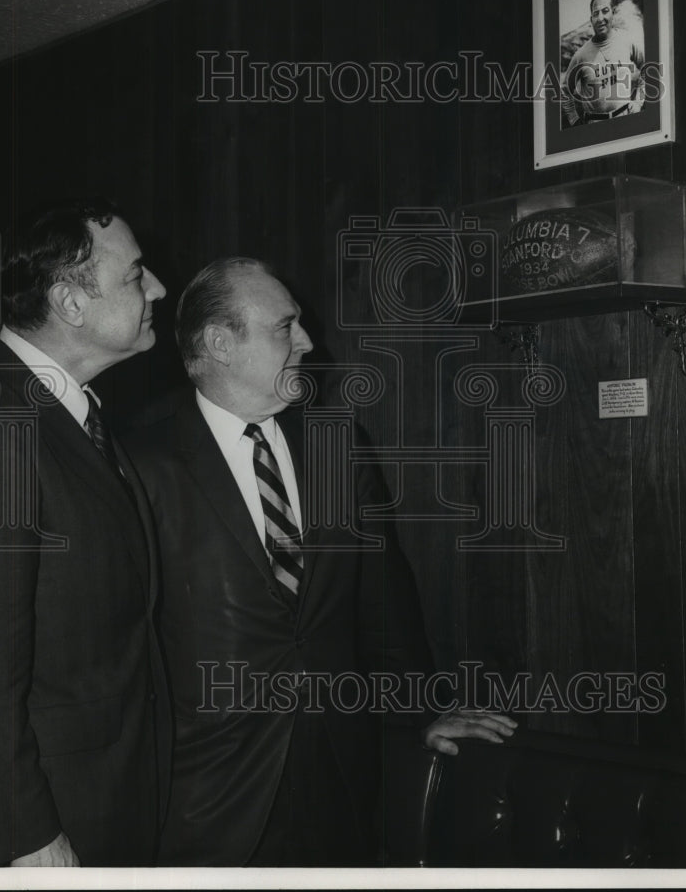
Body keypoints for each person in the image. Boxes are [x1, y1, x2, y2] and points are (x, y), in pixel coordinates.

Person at [125, 256, 516, 867]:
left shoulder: (337, 443)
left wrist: (420, 709)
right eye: (285, 327)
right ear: (221, 344)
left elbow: (382, 599)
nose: (308, 342)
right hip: (203, 799)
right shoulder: (138, 460)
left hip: (339, 776)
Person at [0, 198, 171, 866]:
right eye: (135, 276)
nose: (157, 288)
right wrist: (27, 837)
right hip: (50, 823)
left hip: (107, 797)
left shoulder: (73, 415)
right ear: (71, 303)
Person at [561, 0, 645, 127]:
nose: (600, 18)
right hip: (594, 126)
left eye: (605, 11)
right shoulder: (581, 55)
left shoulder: (627, 41)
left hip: (626, 120)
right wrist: (574, 120)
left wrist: (638, 101)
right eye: (595, 13)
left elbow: (647, 68)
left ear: (613, 12)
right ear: (591, 19)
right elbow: (564, 90)